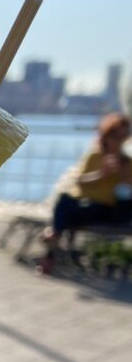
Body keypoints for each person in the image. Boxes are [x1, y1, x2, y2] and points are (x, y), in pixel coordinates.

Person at [39, 112, 132, 273]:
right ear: (107, 135)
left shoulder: (127, 162)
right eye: (116, 136)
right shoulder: (95, 155)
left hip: (105, 207)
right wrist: (102, 174)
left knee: (69, 213)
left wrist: (122, 174)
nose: (119, 140)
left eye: (124, 136)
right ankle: (54, 239)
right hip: (83, 202)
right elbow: (79, 180)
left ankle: (51, 247)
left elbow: (126, 194)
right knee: (65, 200)